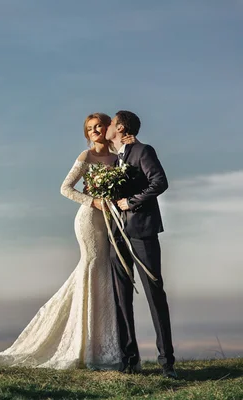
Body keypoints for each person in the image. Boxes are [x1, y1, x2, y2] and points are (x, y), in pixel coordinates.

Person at [0, 113, 134, 369]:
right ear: (86, 134)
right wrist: (93, 201)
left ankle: (103, 347)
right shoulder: (85, 157)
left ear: (107, 128)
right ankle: (81, 346)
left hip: (110, 222)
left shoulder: (118, 157)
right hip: (89, 220)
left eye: (99, 126)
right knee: (92, 268)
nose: (96, 130)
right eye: (90, 128)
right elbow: (65, 188)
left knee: (105, 275)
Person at [103, 110, 177, 378]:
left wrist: (132, 201)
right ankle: (128, 359)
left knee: (155, 294)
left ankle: (166, 362)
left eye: (111, 123)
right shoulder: (115, 158)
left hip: (142, 232)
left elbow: (160, 181)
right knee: (121, 297)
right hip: (117, 234)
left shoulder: (143, 151)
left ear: (120, 127)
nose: (108, 127)